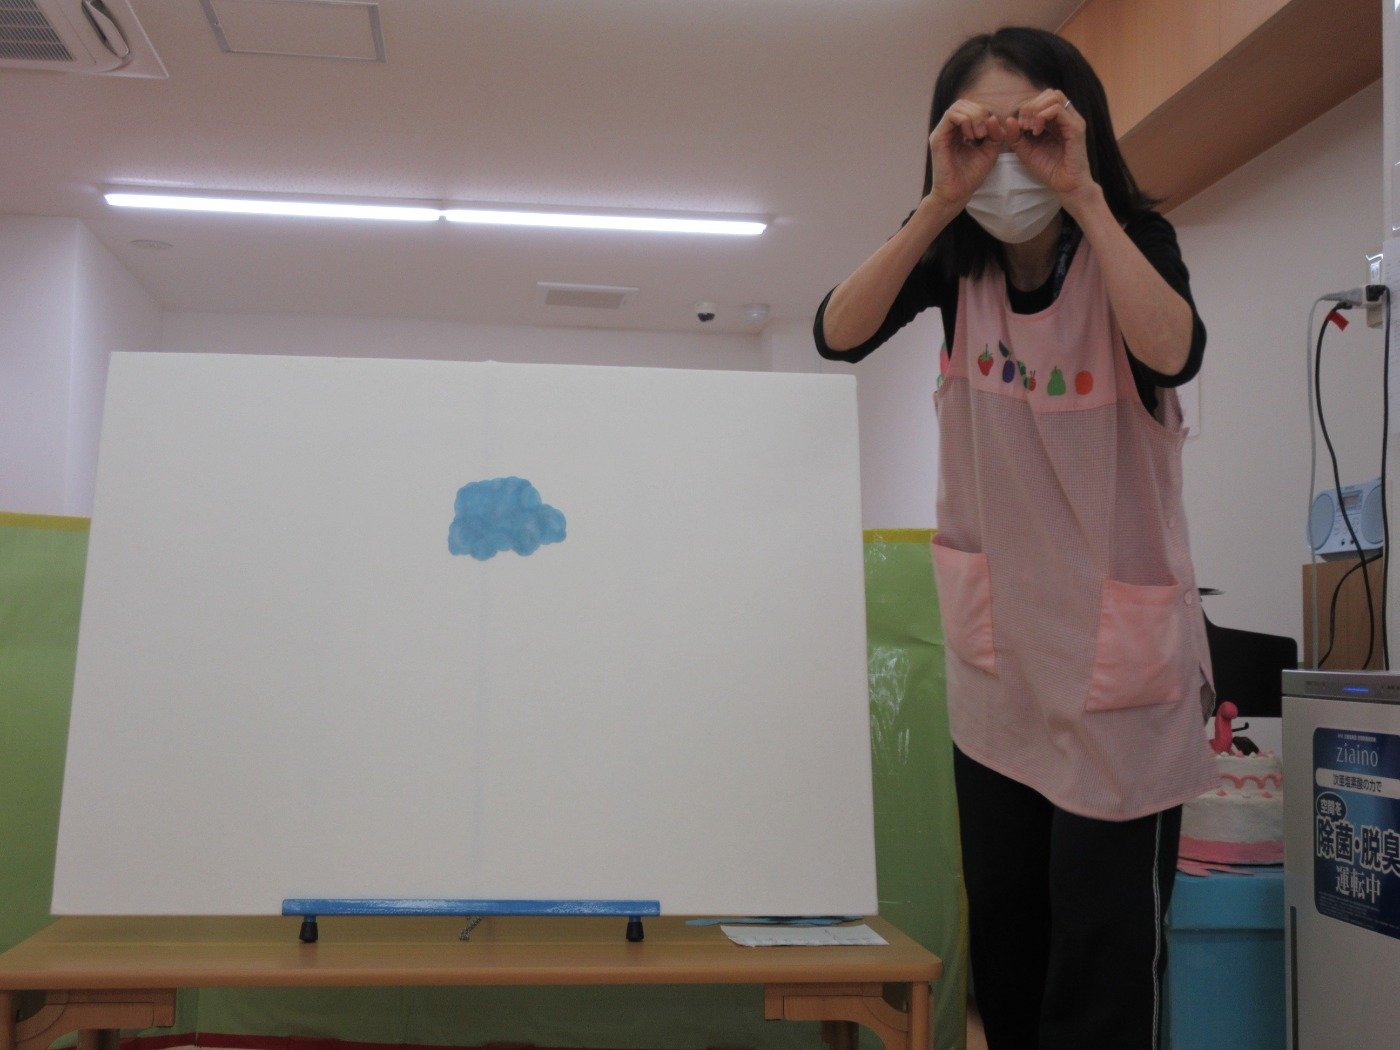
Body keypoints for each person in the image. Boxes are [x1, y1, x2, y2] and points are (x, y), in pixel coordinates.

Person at [814, 26, 1217, 1050]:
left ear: (1074, 126)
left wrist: (1084, 195)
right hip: (1002, 680)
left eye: (1027, 131)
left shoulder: (1131, 243)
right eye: (979, 136)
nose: (1006, 161)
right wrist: (936, 203)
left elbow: (1172, 349)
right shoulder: (958, 266)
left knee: (1103, 967)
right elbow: (836, 331)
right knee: (1008, 951)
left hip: (1119, 686)